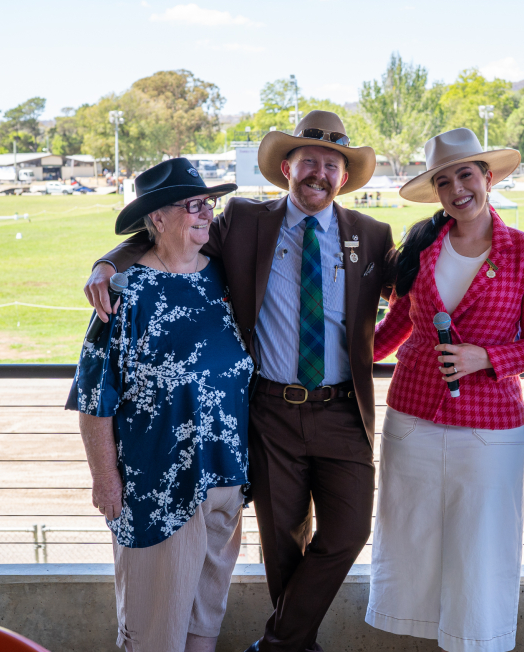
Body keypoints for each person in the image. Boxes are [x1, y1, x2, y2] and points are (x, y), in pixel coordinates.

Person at [83, 111, 393, 652]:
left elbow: (415, 293)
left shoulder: (371, 234)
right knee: (282, 544)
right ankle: (293, 646)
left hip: (342, 410)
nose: (319, 174)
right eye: (308, 161)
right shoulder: (245, 221)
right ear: (286, 168)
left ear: (344, 177)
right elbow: (170, 237)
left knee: (349, 532)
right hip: (270, 412)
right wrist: (107, 264)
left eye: (331, 165)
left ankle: (277, 644)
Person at [366, 128, 524, 652]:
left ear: (488, 178)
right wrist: (336, 353)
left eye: (466, 175)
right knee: (412, 545)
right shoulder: (419, 245)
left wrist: (486, 358)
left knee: (483, 549)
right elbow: (395, 328)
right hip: (412, 420)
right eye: (444, 181)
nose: (457, 189)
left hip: (489, 427)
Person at [68, 158, 254, 652]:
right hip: (157, 490)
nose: (206, 213)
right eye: (193, 205)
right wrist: (105, 479)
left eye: (208, 203)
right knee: (154, 632)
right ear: (157, 217)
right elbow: (94, 397)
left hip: (225, 482)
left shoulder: (224, 279)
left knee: (204, 624)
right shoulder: (125, 293)